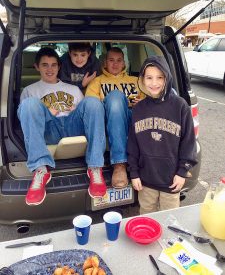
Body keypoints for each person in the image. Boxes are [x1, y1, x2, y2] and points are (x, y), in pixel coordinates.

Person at [18, 47, 106, 206]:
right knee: (29, 105)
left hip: (73, 126)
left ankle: (95, 167)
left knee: (92, 102)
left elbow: (87, 114)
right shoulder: (29, 91)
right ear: (37, 67)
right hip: (49, 129)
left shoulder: (73, 89)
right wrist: (48, 112)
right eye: (45, 65)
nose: (50, 69)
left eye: (53, 65)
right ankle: (40, 169)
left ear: (59, 67)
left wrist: (75, 111)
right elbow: (26, 119)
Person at [127, 55, 197, 214]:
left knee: (170, 219)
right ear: (142, 79)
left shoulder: (180, 106)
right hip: (146, 181)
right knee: (147, 217)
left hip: (171, 181)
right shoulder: (138, 110)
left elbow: (189, 142)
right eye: (149, 77)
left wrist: (182, 172)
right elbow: (133, 145)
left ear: (167, 77)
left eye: (160, 77)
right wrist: (134, 173)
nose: (154, 83)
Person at [85, 47, 143, 189]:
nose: (115, 64)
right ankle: (119, 165)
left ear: (124, 63)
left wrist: (143, 103)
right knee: (115, 97)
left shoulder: (137, 81)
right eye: (111, 60)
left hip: (132, 118)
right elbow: (91, 108)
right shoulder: (97, 82)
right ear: (105, 63)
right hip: (109, 120)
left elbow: (154, 103)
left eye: (119, 61)